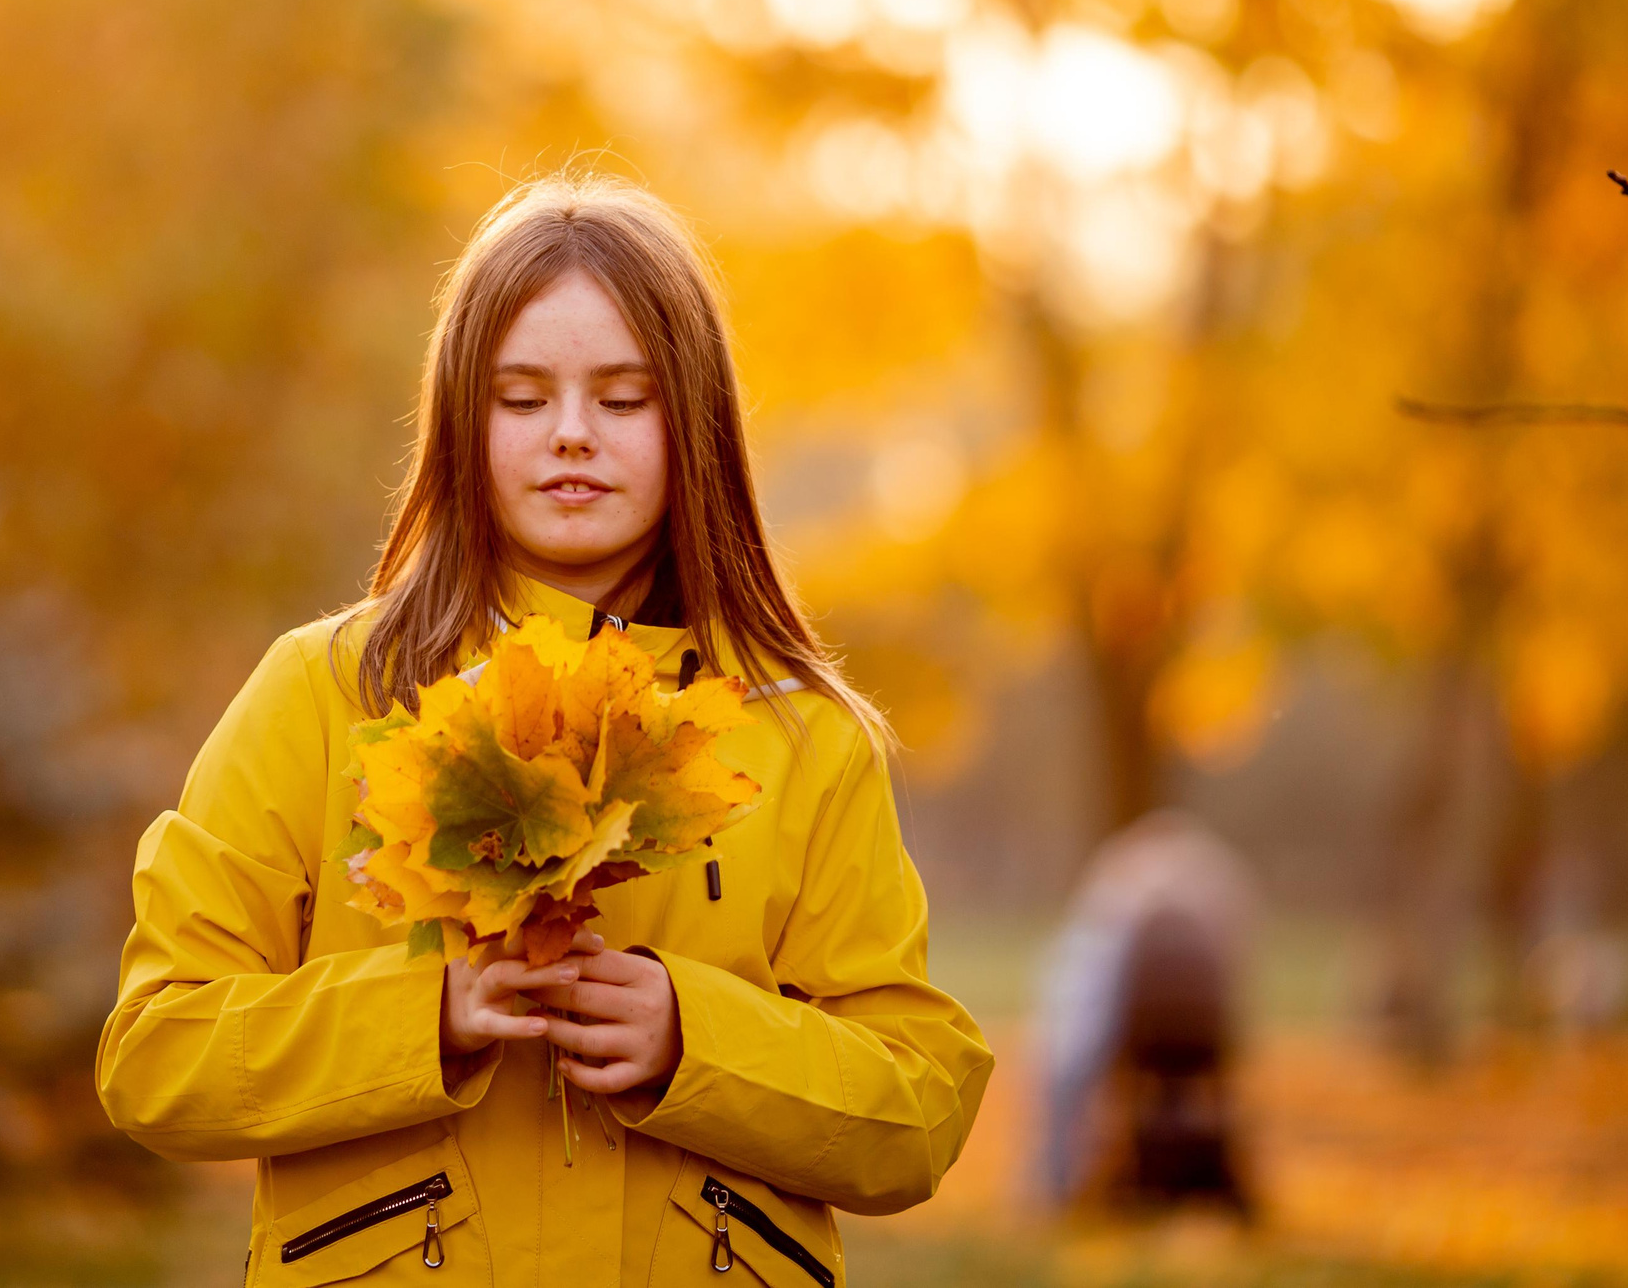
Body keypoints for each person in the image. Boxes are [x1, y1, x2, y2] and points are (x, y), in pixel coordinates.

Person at [96, 176, 991, 1286]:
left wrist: (693, 1040)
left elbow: (916, 1109)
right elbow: (156, 1054)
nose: (572, 435)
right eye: (522, 399)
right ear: (461, 424)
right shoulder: (328, 695)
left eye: (623, 399)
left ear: (695, 424)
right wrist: (427, 1016)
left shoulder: (798, 737)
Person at [1032, 809, 1254, 1216]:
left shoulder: (1115, 887)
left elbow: (1075, 1027)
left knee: (1062, 1068)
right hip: (1205, 1039)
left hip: (1130, 1033)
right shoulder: (1216, 876)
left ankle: (1053, 1187)